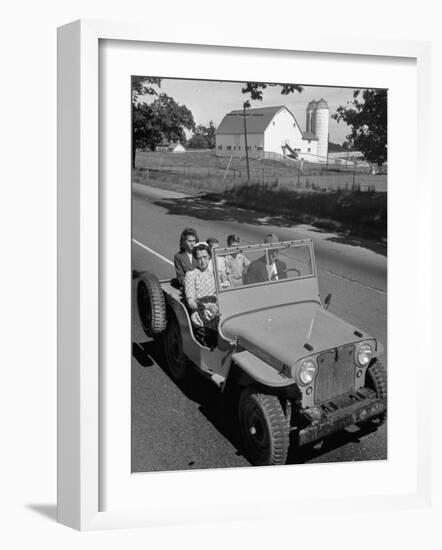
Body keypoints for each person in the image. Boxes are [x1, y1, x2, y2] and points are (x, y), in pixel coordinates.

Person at [184, 243, 219, 348]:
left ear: (209, 257)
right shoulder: (191, 275)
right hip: (201, 317)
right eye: (199, 258)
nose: (202, 261)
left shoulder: (215, 273)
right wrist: (208, 306)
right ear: (195, 259)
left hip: (217, 313)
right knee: (216, 340)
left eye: (205, 257)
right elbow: (191, 303)